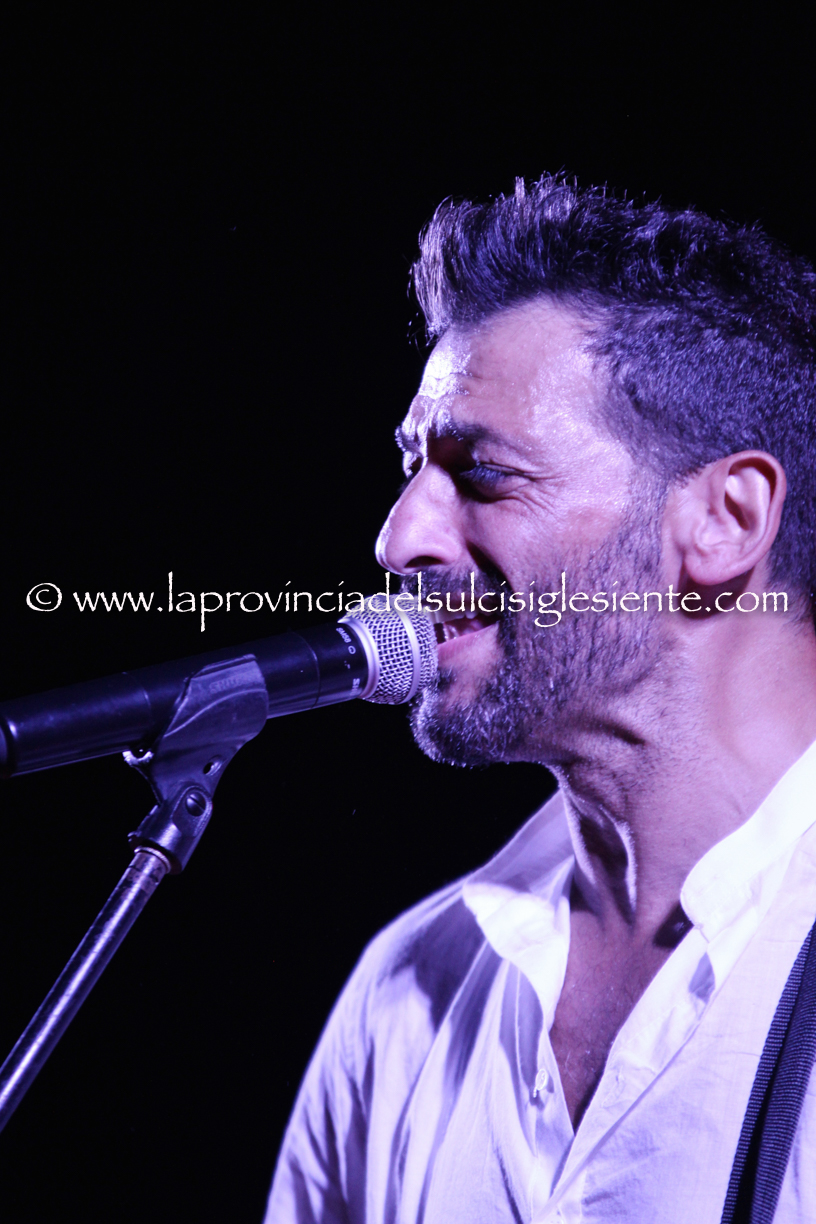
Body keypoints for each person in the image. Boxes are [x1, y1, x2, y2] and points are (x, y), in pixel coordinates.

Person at [265, 176, 816, 1222]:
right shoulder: (406, 993)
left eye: (482, 474)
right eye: (411, 466)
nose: (398, 539)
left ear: (726, 521)